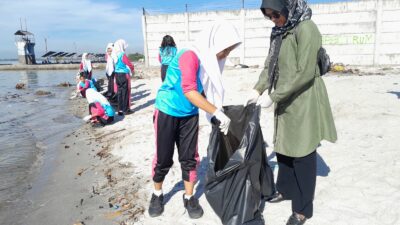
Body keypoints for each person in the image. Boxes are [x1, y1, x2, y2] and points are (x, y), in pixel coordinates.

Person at [244, 0, 337, 224]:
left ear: (287, 8)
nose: (274, 20)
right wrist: (258, 89)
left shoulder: (306, 28)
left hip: (303, 98)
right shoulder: (279, 32)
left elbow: (304, 72)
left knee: (302, 152)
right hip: (285, 97)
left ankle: (303, 209)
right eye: (269, 17)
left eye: (276, 15)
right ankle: (285, 190)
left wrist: (274, 96)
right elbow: (270, 65)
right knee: (284, 147)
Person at [148, 20, 241, 219]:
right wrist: (216, 111)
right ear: (215, 43)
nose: (225, 55)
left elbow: (203, 90)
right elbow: (189, 90)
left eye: (229, 51)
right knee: (163, 158)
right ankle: (157, 194)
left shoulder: (208, 60)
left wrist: (215, 113)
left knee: (190, 158)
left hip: (189, 115)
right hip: (167, 111)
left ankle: (189, 197)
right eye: (225, 50)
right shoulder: (190, 55)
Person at [112, 39, 134, 115]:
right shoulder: (122, 54)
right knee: (125, 92)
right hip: (123, 74)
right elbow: (129, 64)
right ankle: (126, 109)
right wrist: (132, 68)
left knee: (120, 92)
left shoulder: (114, 54)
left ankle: (120, 109)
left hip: (117, 74)